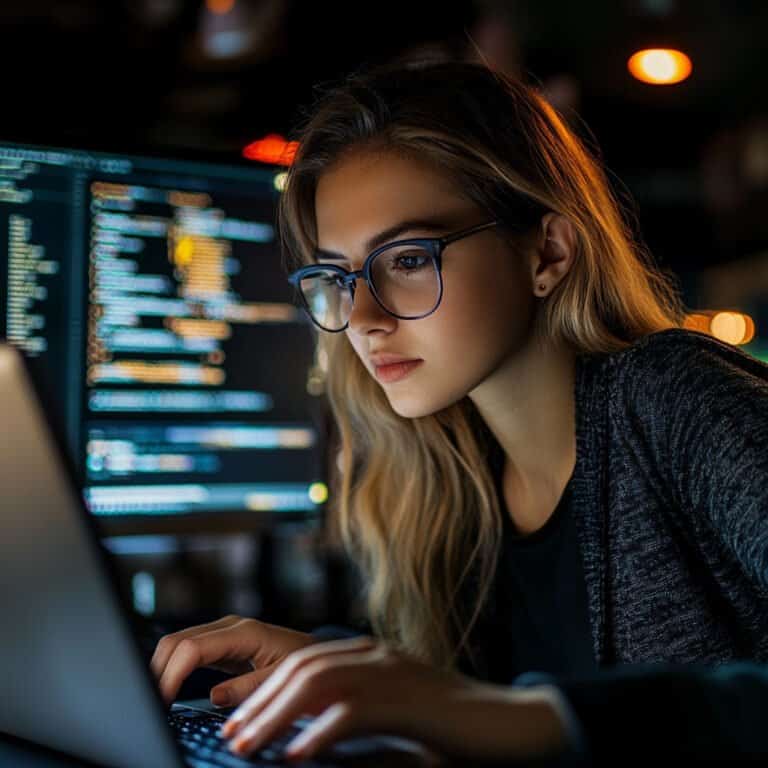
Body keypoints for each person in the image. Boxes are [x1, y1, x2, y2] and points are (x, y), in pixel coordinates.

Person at [150, 59, 768, 764]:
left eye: (408, 259)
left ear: (547, 251)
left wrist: (516, 716)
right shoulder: (446, 479)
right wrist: (338, 671)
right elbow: (473, 711)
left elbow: (502, 716)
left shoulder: (672, 398)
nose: (367, 317)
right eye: (339, 277)